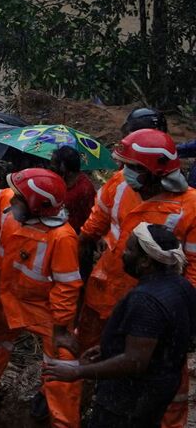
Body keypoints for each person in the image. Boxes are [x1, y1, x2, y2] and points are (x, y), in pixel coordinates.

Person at [76, 128, 196, 427]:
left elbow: (193, 268)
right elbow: (93, 226)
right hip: (104, 293)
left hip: (155, 306)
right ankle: (82, 409)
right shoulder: (118, 185)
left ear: (154, 172)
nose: (124, 171)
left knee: (163, 376)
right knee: (93, 356)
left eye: (132, 167)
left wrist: (181, 313)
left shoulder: (190, 207)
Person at [44, 224, 196, 428]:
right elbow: (169, 337)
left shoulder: (145, 300)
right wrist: (112, 348)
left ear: (145, 261)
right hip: (158, 391)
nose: (123, 253)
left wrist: (78, 372)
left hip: (128, 401)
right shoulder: (181, 285)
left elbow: (135, 361)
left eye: (130, 249)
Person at [0, 168, 83, 424]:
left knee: (61, 363)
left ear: (37, 206)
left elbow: (66, 287)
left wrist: (60, 328)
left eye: (19, 198)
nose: (12, 201)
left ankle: (59, 418)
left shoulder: (62, 238)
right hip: (2, 294)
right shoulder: (5, 200)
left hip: (43, 306)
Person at [55, 147, 96, 233]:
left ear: (67, 170)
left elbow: (91, 217)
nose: (53, 168)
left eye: (56, 165)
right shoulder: (61, 179)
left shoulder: (84, 189)